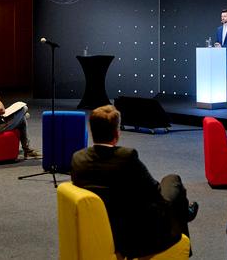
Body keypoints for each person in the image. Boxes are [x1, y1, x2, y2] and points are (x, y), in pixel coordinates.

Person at [71, 105, 198, 258]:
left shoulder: (78, 158)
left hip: (96, 230)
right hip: (134, 237)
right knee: (172, 180)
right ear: (116, 134)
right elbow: (155, 193)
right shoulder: (126, 157)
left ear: (92, 132)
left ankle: (185, 211)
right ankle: (185, 213)